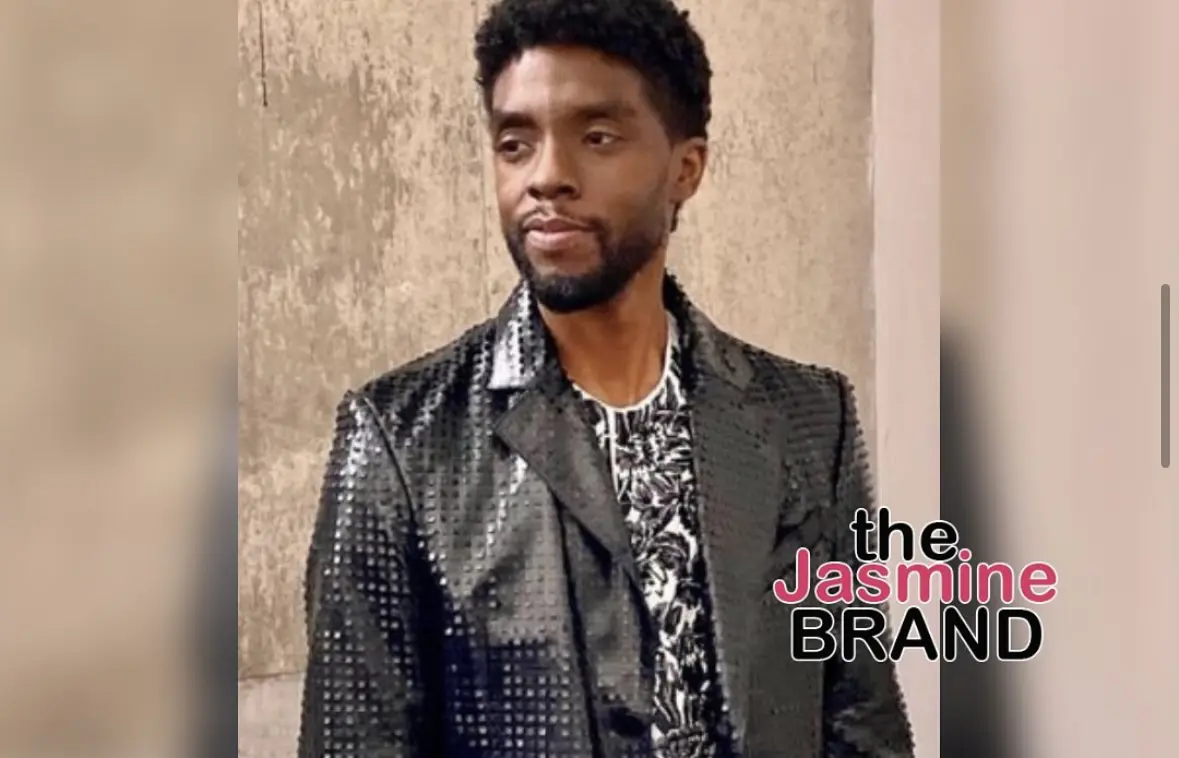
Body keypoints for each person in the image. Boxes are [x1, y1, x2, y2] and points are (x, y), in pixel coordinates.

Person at [297, 1, 914, 756]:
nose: (547, 176)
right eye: (515, 144)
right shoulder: (402, 442)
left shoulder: (810, 419)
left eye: (596, 138)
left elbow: (863, 723)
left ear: (685, 168)